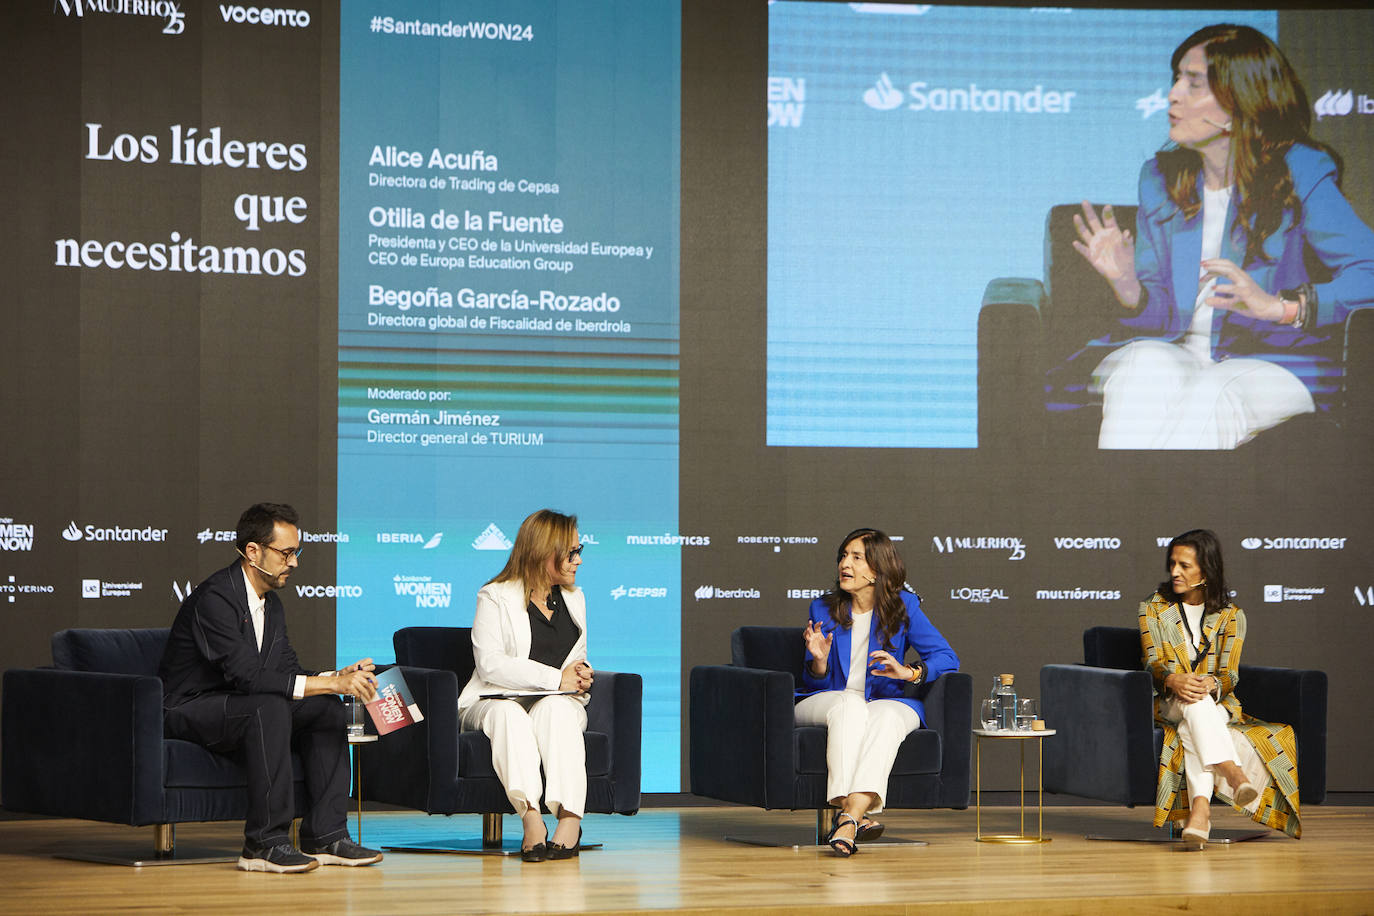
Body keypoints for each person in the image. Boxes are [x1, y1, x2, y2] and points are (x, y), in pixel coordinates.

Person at [1073, 23, 1374, 449]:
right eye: (1176, 78)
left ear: (1239, 102)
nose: (1174, 94)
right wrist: (1128, 288)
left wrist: (1281, 308)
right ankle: (1122, 514)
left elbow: (1370, 271)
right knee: (1141, 368)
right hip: (1176, 350)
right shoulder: (1160, 179)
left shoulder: (1301, 172)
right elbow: (1157, 316)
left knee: (1212, 393)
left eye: (1194, 83)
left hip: (1274, 360)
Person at [159, 503, 384, 873]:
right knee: (269, 706)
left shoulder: (272, 604)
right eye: (286, 553)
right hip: (189, 707)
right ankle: (264, 844)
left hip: (241, 703)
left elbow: (286, 671)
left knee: (327, 707)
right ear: (253, 551)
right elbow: (247, 676)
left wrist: (334, 678)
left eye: (296, 552)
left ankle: (327, 836)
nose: (294, 562)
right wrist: (329, 682)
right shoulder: (215, 598)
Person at [795, 528, 959, 856]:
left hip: (885, 700)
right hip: (827, 699)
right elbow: (814, 683)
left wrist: (909, 672)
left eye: (857, 558)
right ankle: (853, 814)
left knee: (886, 718)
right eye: (844, 556)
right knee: (850, 705)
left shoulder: (904, 607)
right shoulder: (822, 608)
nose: (846, 563)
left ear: (877, 570)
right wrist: (820, 663)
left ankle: (849, 818)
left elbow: (947, 657)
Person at [1138, 529, 1301, 849]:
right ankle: (1232, 772)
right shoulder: (1154, 608)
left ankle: (1200, 811)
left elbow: (1230, 675)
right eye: (1172, 563)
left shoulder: (1231, 616)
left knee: (1195, 715)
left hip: (1213, 703)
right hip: (1166, 700)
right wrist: (1173, 680)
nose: (1174, 572)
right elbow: (1152, 664)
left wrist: (1212, 683)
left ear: (1206, 569)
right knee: (1195, 706)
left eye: (1184, 565)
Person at [457, 509, 594, 862]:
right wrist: (555, 679)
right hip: (494, 700)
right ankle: (532, 819)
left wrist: (579, 676)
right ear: (544, 551)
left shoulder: (574, 598)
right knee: (510, 715)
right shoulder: (495, 595)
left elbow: (574, 660)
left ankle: (570, 821)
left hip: (557, 701)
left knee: (557, 711)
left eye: (579, 551)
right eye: (571, 552)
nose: (578, 560)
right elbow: (491, 664)